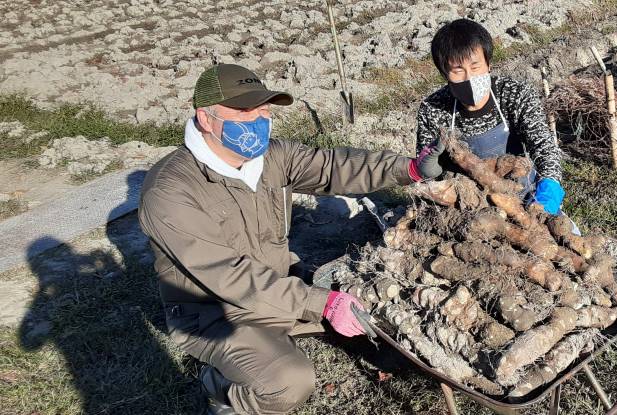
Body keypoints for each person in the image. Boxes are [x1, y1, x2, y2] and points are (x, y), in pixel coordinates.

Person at [138, 64, 443, 415]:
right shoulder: (169, 191)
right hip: (215, 312)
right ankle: (218, 387)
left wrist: (409, 169)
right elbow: (228, 276)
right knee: (289, 382)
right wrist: (320, 303)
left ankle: (287, 329)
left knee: (390, 321)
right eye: (243, 111)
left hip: (281, 285)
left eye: (264, 110)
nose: (257, 120)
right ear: (206, 119)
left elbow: (333, 167)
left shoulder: (272, 157)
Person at [416, 18, 565, 215]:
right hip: (466, 207)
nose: (469, 78)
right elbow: (427, 171)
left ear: (488, 64)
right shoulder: (432, 109)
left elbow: (544, 146)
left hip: (524, 196)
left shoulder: (514, 93)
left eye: (475, 67)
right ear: (445, 74)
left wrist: (548, 192)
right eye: (458, 71)